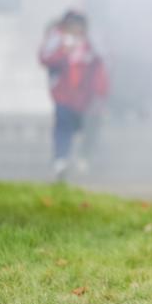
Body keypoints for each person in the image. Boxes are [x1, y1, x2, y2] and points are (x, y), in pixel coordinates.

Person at [38, 10, 109, 181]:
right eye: (72, 24)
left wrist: (101, 92)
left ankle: (84, 158)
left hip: (87, 98)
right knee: (63, 127)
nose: (76, 28)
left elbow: (99, 68)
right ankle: (60, 161)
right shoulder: (57, 40)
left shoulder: (91, 44)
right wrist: (64, 51)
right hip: (63, 96)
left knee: (90, 127)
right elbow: (44, 58)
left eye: (79, 24)